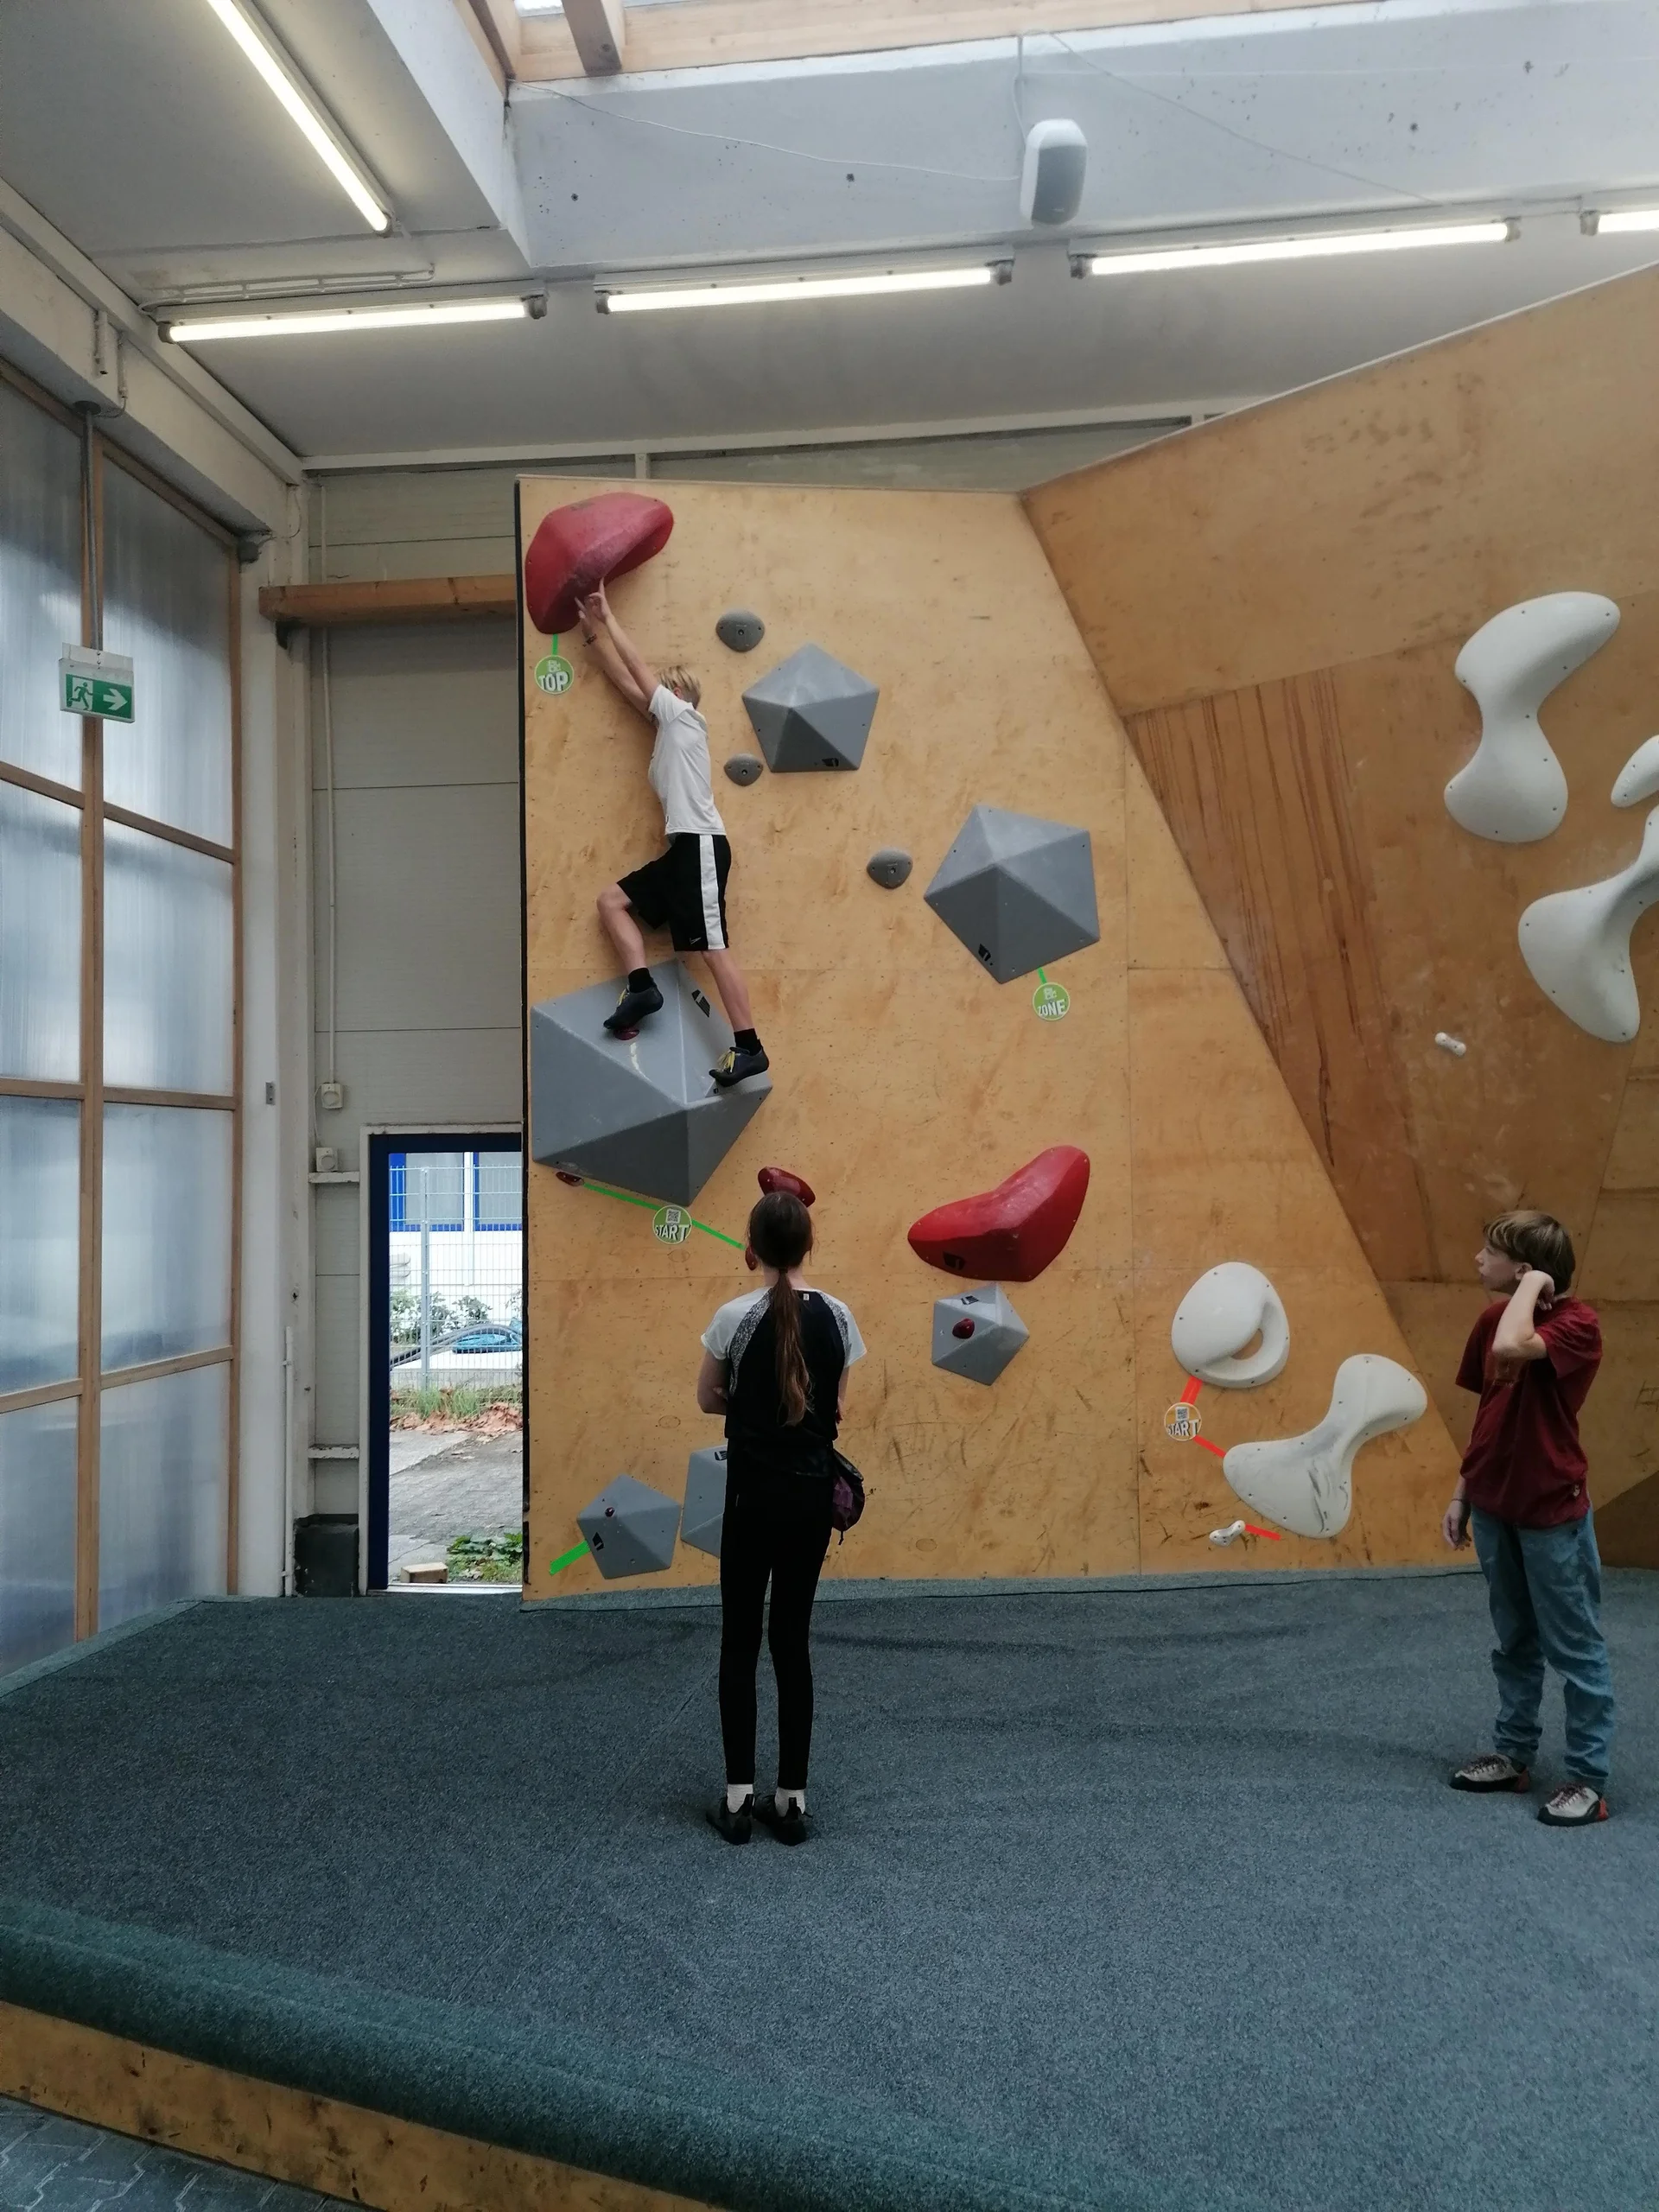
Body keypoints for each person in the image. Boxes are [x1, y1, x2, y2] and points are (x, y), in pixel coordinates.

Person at [696, 1192, 865, 1846]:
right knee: (791, 1642)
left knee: (739, 1640)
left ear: (752, 1248)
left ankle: (738, 1800)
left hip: (749, 1499)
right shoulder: (842, 1317)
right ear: (808, 1247)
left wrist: (748, 1409)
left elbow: (708, 1395)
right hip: (811, 1501)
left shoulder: (732, 1317)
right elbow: (839, 1409)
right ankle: (792, 1802)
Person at [1441, 1209, 1611, 1827]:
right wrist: (1464, 1491)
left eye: (1490, 1252)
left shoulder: (1578, 1326)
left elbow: (1518, 1346)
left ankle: (1588, 1780)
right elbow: (1488, 1411)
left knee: (1575, 1648)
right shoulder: (1492, 1319)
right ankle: (1515, 1756)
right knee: (1514, 1640)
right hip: (1494, 1505)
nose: (1477, 1261)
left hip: (1550, 1513)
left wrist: (1538, 1287)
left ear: (1523, 1270)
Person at [577, 581, 767, 1087]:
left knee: (712, 948)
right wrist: (593, 638)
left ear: (676, 694)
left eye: (660, 690)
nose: (652, 697)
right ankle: (642, 987)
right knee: (611, 902)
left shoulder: (686, 719)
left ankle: (749, 1047)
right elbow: (627, 683)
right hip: (680, 850)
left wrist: (610, 616)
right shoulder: (667, 731)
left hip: (701, 846)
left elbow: (638, 672)